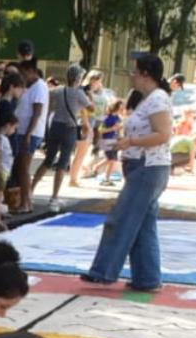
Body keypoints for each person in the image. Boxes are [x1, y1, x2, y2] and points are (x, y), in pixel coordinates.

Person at [81, 52, 174, 291]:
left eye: (135, 71)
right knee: (143, 226)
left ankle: (102, 271)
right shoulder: (150, 98)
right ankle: (148, 278)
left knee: (120, 219)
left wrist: (131, 142)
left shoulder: (157, 99)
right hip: (145, 167)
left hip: (148, 167)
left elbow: (163, 134)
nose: (132, 76)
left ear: (145, 74)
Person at [32, 64, 89, 202]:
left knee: (48, 160)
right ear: (79, 78)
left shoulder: (57, 90)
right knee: (63, 162)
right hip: (70, 128)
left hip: (55, 126)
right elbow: (90, 107)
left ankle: (31, 189)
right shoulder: (79, 93)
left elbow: (49, 103)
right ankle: (54, 196)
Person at [11, 57, 48, 209]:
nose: (22, 75)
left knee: (24, 167)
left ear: (32, 71)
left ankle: (26, 203)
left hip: (30, 132)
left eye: (24, 72)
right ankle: (25, 201)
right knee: (20, 167)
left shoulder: (39, 87)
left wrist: (28, 134)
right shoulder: (29, 86)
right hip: (22, 130)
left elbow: (37, 112)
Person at [70, 69, 106, 188]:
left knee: (82, 153)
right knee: (80, 153)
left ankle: (75, 177)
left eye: (99, 81)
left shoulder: (96, 92)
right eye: (96, 81)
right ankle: (73, 179)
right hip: (85, 124)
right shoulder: (85, 92)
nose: (98, 83)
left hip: (90, 123)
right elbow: (83, 110)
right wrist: (88, 126)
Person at [92, 100, 122, 184]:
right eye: (121, 106)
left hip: (115, 140)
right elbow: (100, 130)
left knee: (112, 160)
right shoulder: (107, 118)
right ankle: (103, 174)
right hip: (107, 140)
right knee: (112, 160)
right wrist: (112, 129)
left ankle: (105, 176)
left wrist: (120, 136)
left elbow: (119, 129)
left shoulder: (118, 118)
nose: (123, 108)